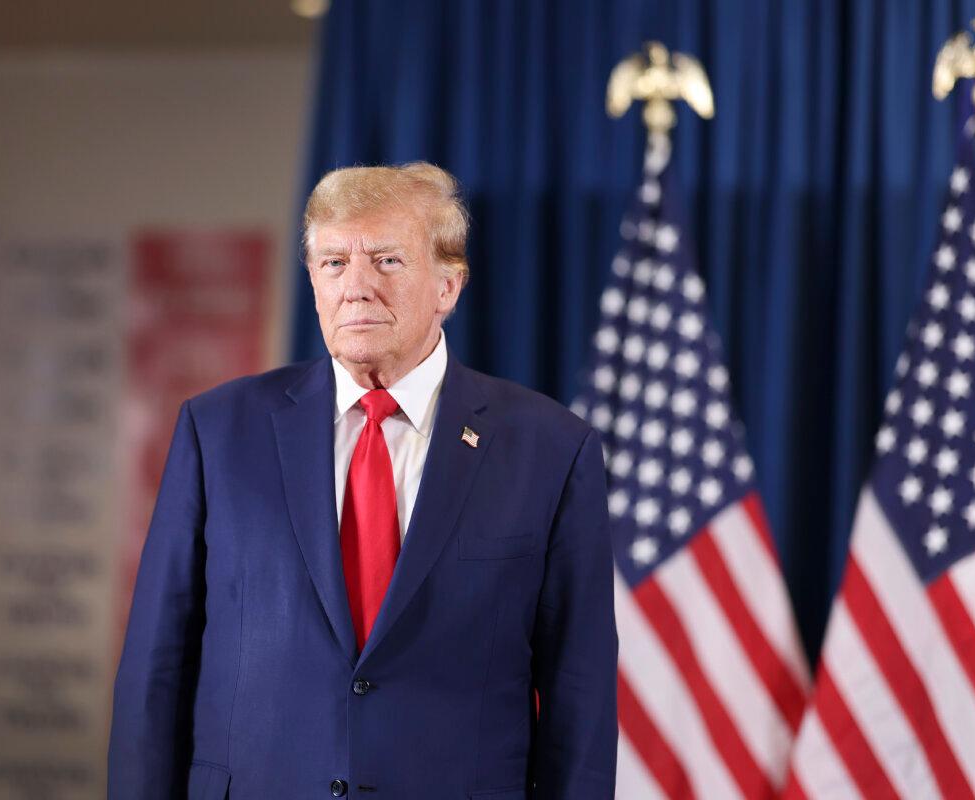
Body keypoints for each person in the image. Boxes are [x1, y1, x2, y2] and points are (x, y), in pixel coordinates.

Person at [108, 162, 617, 799]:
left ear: (449, 286)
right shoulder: (217, 433)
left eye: (386, 261)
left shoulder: (552, 450)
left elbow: (581, 694)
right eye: (333, 263)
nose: (356, 286)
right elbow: (155, 671)